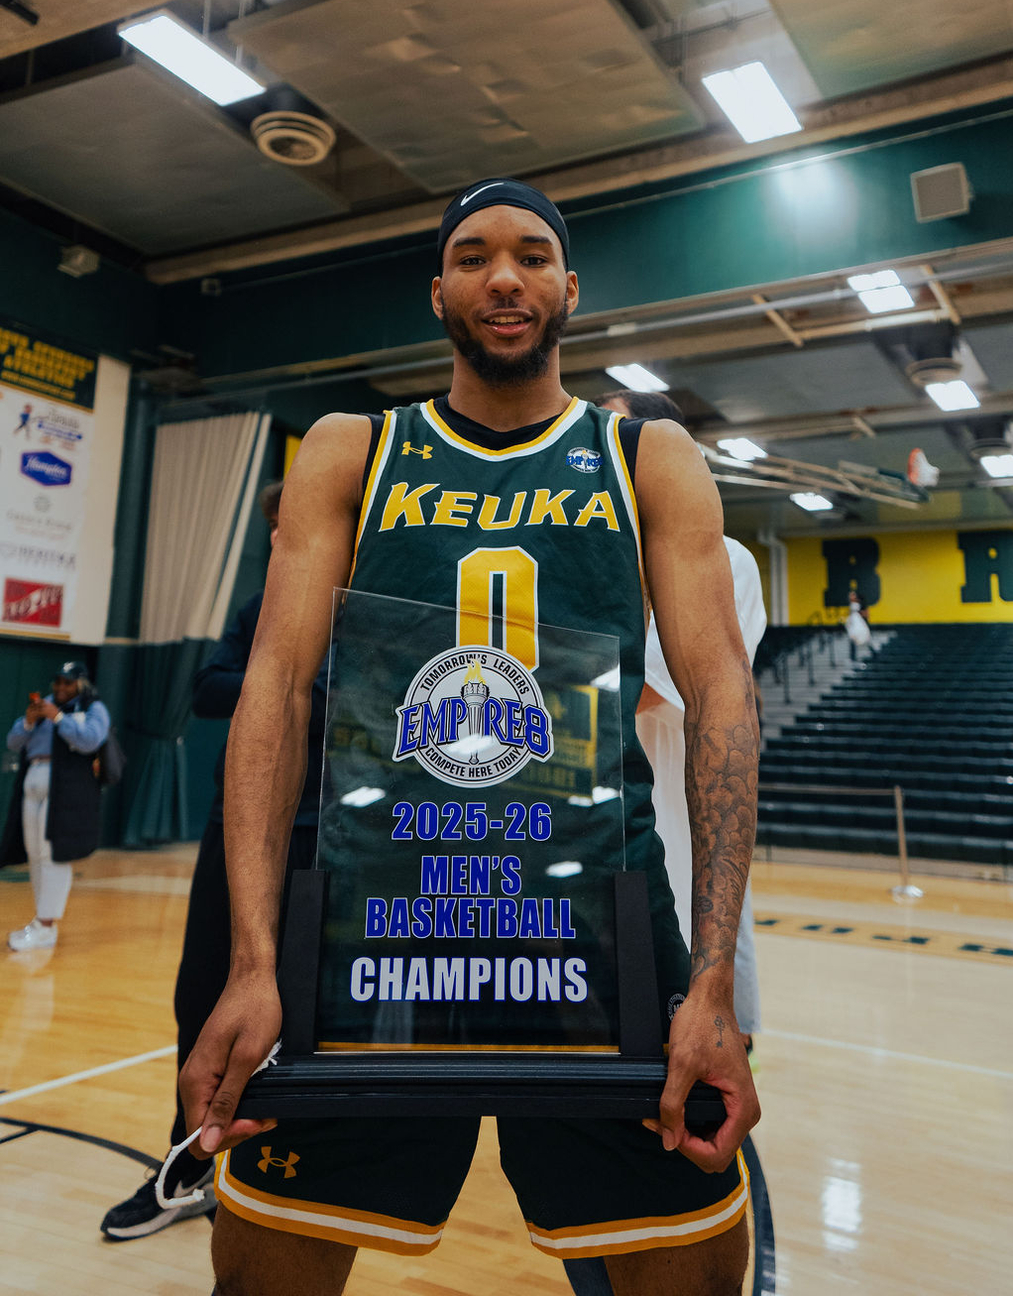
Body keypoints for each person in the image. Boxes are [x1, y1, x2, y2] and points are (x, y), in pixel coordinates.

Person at [181, 177, 761, 1296]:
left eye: (534, 254)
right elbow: (276, 689)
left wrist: (713, 982)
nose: (505, 274)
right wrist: (252, 961)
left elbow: (723, 705)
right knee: (263, 1271)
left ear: (568, 288)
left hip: (606, 944)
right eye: (475, 255)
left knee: (692, 1273)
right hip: (369, 936)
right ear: (437, 289)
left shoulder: (647, 457)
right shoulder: (355, 450)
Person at [101, 481, 329, 1240]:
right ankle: (187, 1160)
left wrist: (300, 686)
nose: (276, 535)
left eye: (285, 521)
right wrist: (283, 682)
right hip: (235, 827)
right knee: (200, 993)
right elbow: (207, 689)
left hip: (326, 836)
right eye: (269, 524)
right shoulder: (257, 607)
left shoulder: (357, 602)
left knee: (309, 1014)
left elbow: (356, 697)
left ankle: (288, 1171)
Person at [597, 388, 765, 1045]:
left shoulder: (725, 557)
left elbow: (647, 691)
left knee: (704, 1028)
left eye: (617, 436)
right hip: (595, 838)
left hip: (679, 826)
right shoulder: (591, 554)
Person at [2, 660, 110, 950]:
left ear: (81, 684)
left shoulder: (92, 708)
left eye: (68, 682)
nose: (61, 687)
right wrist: (28, 722)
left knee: (54, 853)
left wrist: (59, 719)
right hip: (34, 777)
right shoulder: (44, 705)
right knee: (35, 852)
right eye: (58, 681)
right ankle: (41, 921)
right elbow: (13, 742)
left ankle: (47, 923)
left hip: (66, 785)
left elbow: (90, 740)